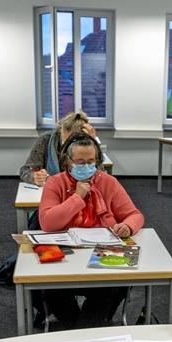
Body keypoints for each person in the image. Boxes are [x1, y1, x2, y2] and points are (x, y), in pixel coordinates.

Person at [38, 134, 143, 328]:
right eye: (79, 162)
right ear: (67, 161)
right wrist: (77, 197)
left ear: (97, 161)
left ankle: (80, 330)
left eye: (90, 161)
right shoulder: (55, 183)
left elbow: (135, 215)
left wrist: (127, 226)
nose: (85, 166)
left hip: (102, 252)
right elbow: (47, 223)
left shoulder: (108, 182)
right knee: (51, 287)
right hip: (68, 254)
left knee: (115, 286)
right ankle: (81, 329)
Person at [19, 111, 101, 186]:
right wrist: (34, 177)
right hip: (53, 189)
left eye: (71, 143)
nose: (66, 147)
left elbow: (101, 175)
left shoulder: (88, 144)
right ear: (61, 131)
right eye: (64, 141)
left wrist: (93, 143)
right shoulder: (45, 140)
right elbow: (25, 170)